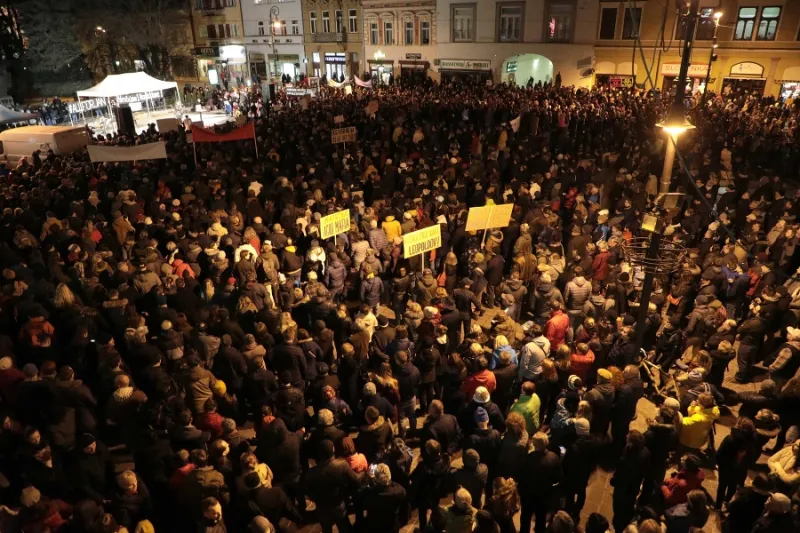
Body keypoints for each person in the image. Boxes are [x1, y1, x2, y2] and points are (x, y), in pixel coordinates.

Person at [305, 440, 361, 533]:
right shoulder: (342, 465)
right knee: (344, 528)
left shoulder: (311, 472)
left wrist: (317, 500)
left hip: (322, 508)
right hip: (338, 504)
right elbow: (355, 480)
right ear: (333, 450)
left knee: (326, 529)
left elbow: (308, 491)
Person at [518, 432, 561, 533]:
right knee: (541, 520)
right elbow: (557, 478)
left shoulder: (528, 459)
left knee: (525, 518)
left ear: (535, 444)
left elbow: (522, 477)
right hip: (544, 496)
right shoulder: (553, 458)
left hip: (528, 496)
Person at [610, 430, 650, 533]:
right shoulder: (645, 452)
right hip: (634, 487)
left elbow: (621, 471)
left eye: (628, 437)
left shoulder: (629, 456)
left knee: (618, 507)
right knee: (628, 505)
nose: (626, 437)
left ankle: (618, 527)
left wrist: (614, 480)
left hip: (623, 487)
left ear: (632, 442)